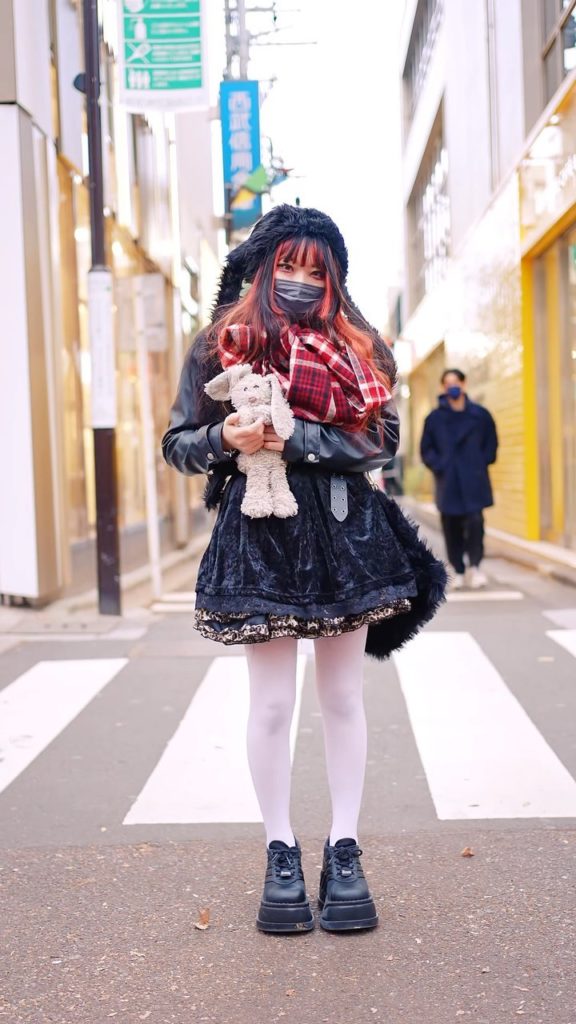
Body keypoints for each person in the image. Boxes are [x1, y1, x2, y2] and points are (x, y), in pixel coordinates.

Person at [162, 205, 446, 935]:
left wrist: (296, 440)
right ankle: (280, 851)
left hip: (347, 532)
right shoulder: (220, 344)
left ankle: (344, 850)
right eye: (287, 266)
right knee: (271, 706)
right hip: (262, 532)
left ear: (334, 278)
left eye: (315, 271)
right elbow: (178, 441)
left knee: (343, 697)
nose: (298, 281)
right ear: (262, 267)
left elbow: (379, 440)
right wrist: (226, 433)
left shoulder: (359, 342)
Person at [420, 368, 498, 590]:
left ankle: (475, 567)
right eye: (448, 383)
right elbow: (426, 449)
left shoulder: (480, 415)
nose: (452, 387)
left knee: (475, 522)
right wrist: (440, 466)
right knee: (451, 524)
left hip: (474, 477)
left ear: (464, 384)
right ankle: (458, 568)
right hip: (449, 479)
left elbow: (491, 443)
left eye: (456, 382)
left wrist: (480, 462)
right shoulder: (434, 419)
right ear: (443, 387)